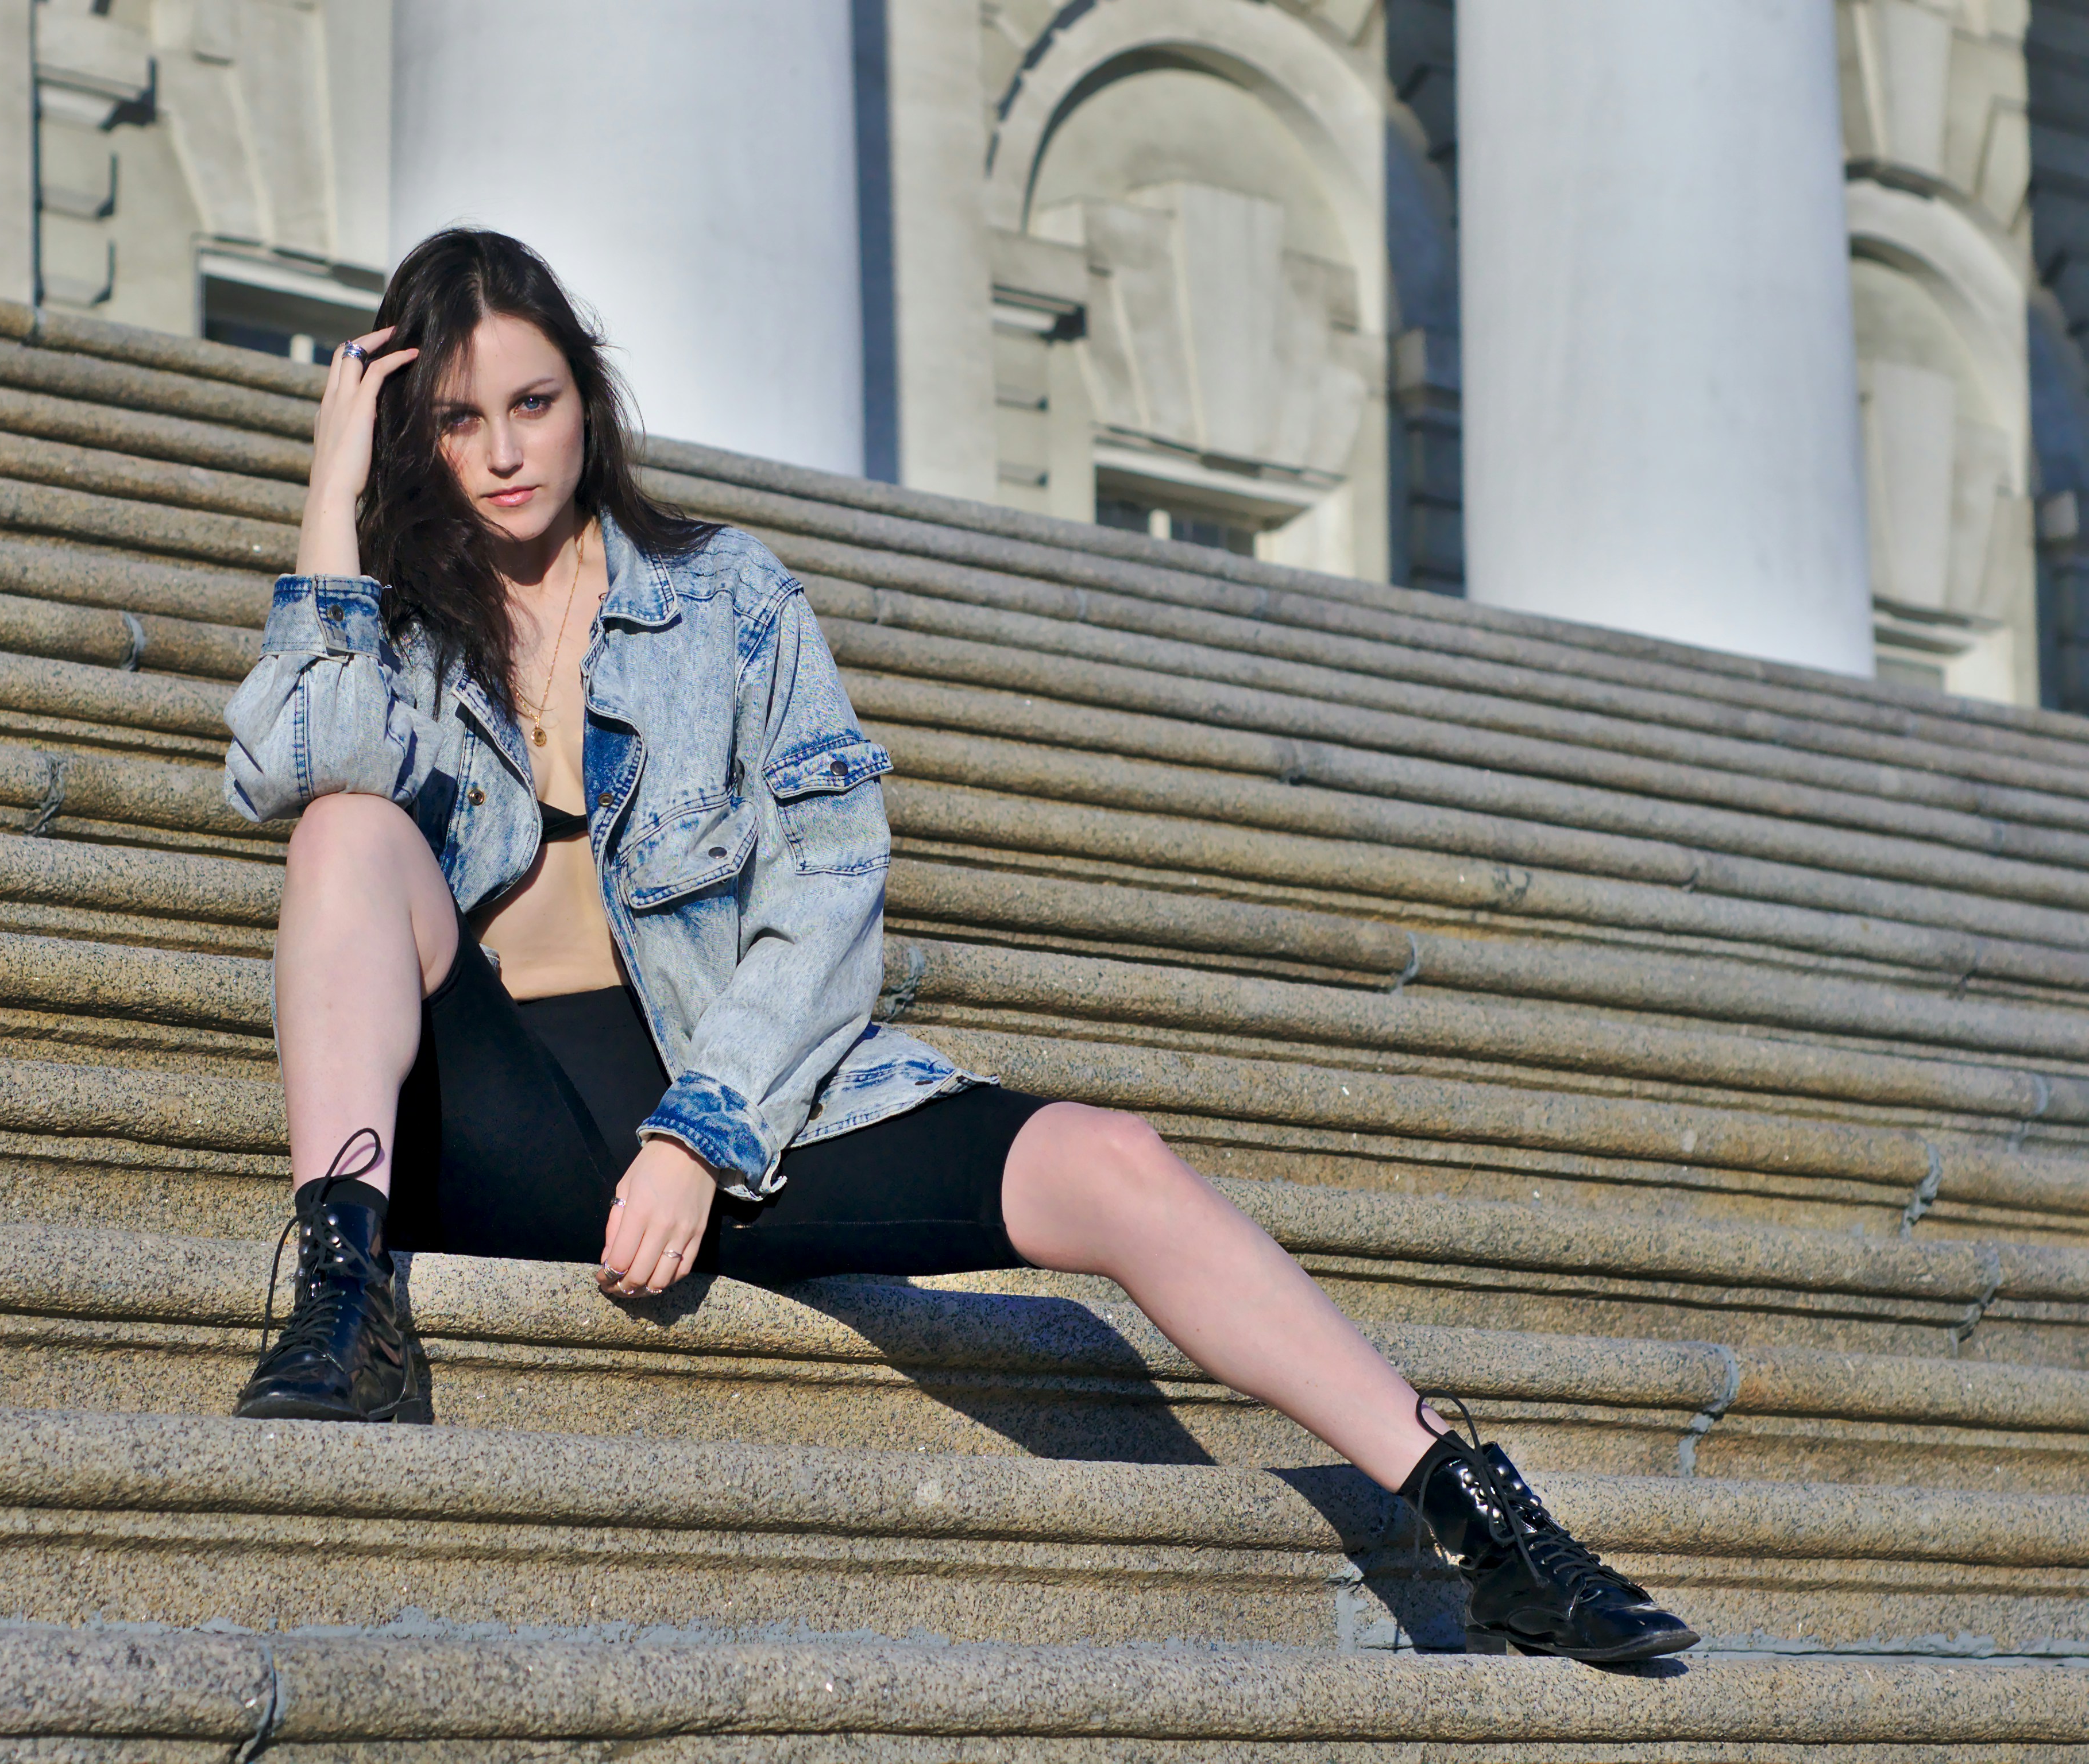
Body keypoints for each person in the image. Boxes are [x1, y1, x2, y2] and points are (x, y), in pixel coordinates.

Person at [219, 229, 1697, 1666]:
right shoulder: (397, 631)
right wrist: (334, 502)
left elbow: (834, 877)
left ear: (587, 401)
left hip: (732, 1105)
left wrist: (700, 1132)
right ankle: (343, 1294)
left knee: (1116, 1160)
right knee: (348, 831)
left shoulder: (729, 599)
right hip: (504, 1120)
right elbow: (290, 764)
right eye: (457, 420)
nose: (502, 452)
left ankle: (1476, 1513)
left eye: (532, 403)